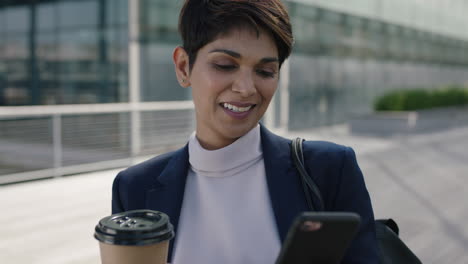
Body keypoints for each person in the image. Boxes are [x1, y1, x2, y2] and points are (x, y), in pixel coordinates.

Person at [112, 0, 379, 263]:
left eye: (265, 71)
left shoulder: (329, 170)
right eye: (225, 65)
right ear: (184, 67)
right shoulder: (134, 188)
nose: (246, 88)